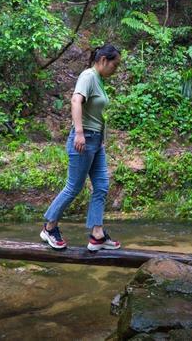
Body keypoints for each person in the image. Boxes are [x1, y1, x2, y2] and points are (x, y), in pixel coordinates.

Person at [40, 43, 122, 251]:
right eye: (115, 65)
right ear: (103, 60)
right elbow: (76, 101)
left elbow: (95, 113)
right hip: (83, 140)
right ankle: (49, 228)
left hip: (95, 142)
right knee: (73, 187)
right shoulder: (88, 76)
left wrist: (100, 138)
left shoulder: (99, 80)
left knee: (101, 186)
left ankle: (97, 235)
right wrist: (79, 132)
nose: (116, 69)